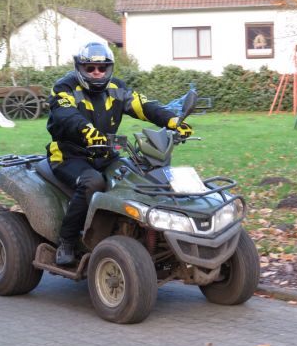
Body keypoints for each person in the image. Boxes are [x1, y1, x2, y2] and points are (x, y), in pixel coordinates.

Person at [46, 41, 193, 266]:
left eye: (102, 68)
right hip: (69, 156)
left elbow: (144, 106)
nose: (96, 73)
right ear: (80, 68)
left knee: (139, 176)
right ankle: (67, 240)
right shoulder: (64, 88)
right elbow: (65, 115)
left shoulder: (117, 88)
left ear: (109, 69)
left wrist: (172, 121)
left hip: (105, 154)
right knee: (92, 182)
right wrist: (87, 131)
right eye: (90, 68)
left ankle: (140, 234)